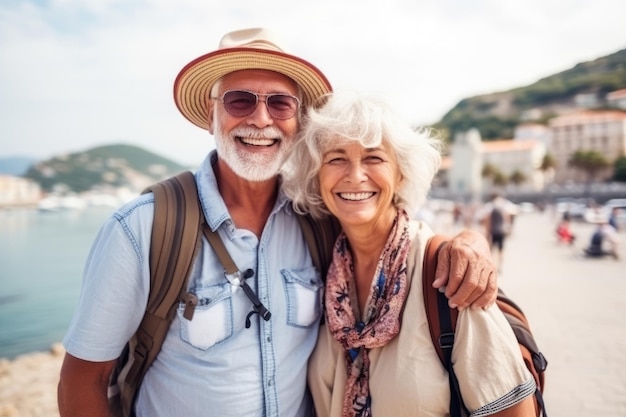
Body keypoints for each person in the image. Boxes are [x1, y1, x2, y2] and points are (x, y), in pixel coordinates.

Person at [57, 28, 501, 417]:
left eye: (280, 103)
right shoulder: (141, 229)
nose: (260, 118)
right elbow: (82, 381)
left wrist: (467, 240)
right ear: (212, 114)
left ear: (298, 121)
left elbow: (394, 228)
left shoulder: (318, 217)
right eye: (239, 100)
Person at [282, 90, 536, 417]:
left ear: (400, 173)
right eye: (336, 158)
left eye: (374, 158)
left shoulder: (449, 276)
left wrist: (471, 241)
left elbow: (515, 411)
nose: (355, 175)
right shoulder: (322, 269)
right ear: (316, 177)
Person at [479, 192, 517, 271]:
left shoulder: (490, 207)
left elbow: (487, 219)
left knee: (491, 249)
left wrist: (486, 231)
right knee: (501, 249)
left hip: (493, 232)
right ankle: (500, 266)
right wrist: (509, 228)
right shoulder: (504, 207)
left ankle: (491, 265)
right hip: (501, 231)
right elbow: (508, 218)